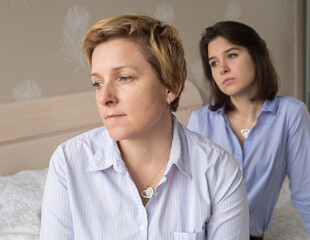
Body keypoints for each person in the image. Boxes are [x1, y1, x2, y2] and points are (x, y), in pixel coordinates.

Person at [40, 15, 249, 239]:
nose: (104, 97)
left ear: (171, 87)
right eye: (98, 83)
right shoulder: (68, 163)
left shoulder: (219, 171)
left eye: (124, 78)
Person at [187, 21, 310, 240]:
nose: (222, 68)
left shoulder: (291, 114)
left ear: (257, 56)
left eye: (232, 55)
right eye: (214, 63)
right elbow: (189, 195)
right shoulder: (200, 121)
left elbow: (306, 192)